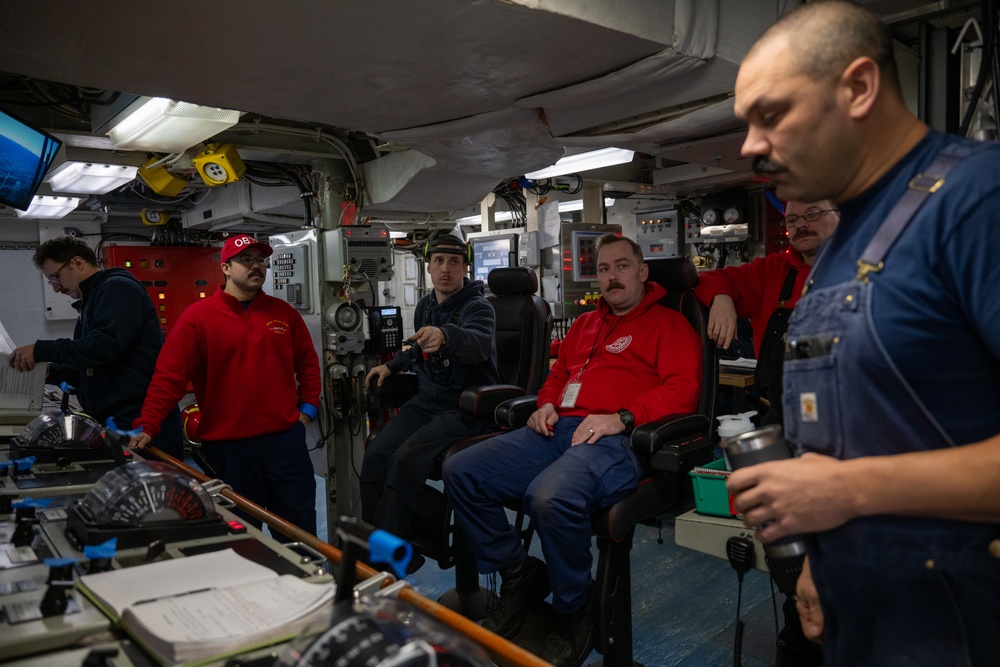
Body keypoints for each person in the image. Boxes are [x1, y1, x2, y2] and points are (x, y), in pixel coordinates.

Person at [726, 2, 1000, 666]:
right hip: (867, 615)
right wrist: (823, 558)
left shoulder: (976, 200)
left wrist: (845, 492)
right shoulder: (846, 243)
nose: (749, 147)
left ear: (858, 87)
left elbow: (849, 476)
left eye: (771, 115)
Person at [443, 234, 701, 667]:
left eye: (621, 266)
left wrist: (622, 417)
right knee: (461, 469)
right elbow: (559, 373)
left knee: (549, 496)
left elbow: (683, 390)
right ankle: (518, 572)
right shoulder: (585, 325)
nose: (611, 277)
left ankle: (572, 610)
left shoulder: (670, 325)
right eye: (603, 269)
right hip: (557, 427)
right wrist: (545, 403)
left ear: (642, 273)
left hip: (615, 439)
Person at [129, 234, 321, 542]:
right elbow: (169, 377)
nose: (256, 267)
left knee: (298, 531)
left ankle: (308, 589)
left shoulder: (283, 313)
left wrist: (307, 412)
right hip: (231, 450)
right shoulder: (197, 319)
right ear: (226, 268)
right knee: (241, 535)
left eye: (261, 260)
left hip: (285, 444)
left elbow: (309, 366)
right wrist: (149, 424)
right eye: (246, 260)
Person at [360, 234, 501, 541]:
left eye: (453, 261)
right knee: (375, 454)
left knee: (405, 458)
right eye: (438, 261)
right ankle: (373, 541)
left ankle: (389, 553)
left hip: (464, 408)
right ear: (428, 267)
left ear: (465, 267)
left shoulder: (479, 308)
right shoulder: (425, 305)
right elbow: (417, 349)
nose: (445, 269)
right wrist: (392, 365)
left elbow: (477, 344)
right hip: (428, 402)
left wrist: (446, 336)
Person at [6, 236, 183, 459]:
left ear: (77, 262)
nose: (56, 288)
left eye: (56, 277)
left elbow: (105, 347)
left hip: (139, 421)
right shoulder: (92, 300)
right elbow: (91, 367)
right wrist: (51, 371)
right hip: (115, 420)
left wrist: (41, 349)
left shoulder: (117, 288)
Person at [695, 200, 839, 426]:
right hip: (785, 417)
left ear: (840, 216)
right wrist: (721, 298)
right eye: (792, 219)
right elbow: (708, 278)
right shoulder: (771, 270)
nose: (801, 224)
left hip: (852, 413)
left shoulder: (870, 268)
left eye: (812, 214)